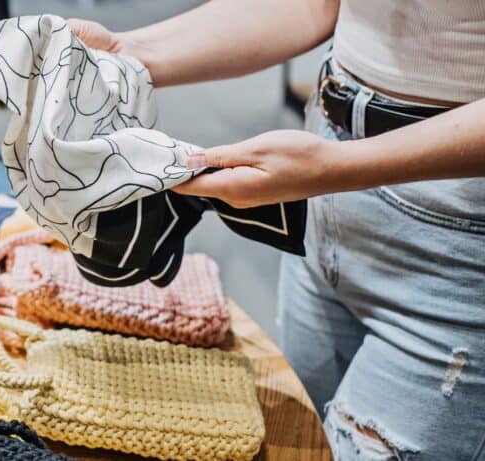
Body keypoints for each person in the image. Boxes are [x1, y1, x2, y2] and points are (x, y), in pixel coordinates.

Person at [69, 1, 485, 460]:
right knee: (291, 440)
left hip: (457, 240)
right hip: (322, 178)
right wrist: (130, 52)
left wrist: (339, 168)